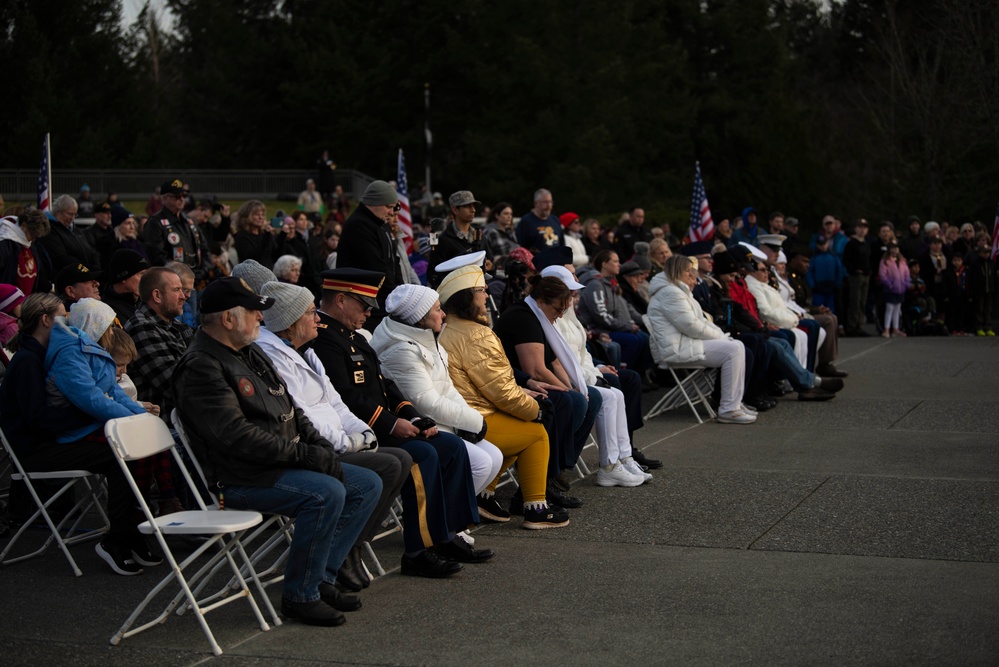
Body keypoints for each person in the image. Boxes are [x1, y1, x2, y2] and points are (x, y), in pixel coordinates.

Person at [171, 277, 381, 626]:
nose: (260, 318)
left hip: (274, 464)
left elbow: (292, 410)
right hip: (239, 476)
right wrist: (307, 457)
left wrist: (318, 447)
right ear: (227, 319)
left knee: (367, 484)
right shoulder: (202, 366)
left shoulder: (248, 351)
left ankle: (321, 578)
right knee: (326, 493)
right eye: (253, 311)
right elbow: (236, 437)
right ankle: (299, 596)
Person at [305, 268, 492, 576]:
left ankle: (447, 532)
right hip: (358, 432)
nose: (369, 311)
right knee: (422, 454)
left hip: (382, 424)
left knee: (450, 446)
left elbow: (384, 384)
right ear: (340, 300)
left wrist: (412, 416)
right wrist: (393, 424)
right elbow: (346, 397)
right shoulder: (324, 339)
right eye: (363, 304)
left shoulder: (350, 334)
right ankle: (418, 550)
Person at [253, 280, 412, 592]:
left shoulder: (305, 353)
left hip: (334, 443)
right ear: (290, 321)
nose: (318, 318)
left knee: (399, 459)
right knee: (383, 470)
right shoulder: (272, 357)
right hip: (317, 449)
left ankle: (347, 546)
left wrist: (363, 432)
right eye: (311, 312)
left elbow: (335, 403)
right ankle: (334, 560)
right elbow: (302, 416)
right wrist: (346, 442)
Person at [0, 293, 161, 576]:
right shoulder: (27, 361)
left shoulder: (42, 355)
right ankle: (118, 537)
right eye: (64, 317)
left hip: (49, 441)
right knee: (120, 458)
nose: (70, 324)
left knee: (132, 450)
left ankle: (129, 531)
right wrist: (92, 412)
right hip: (35, 451)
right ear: (46, 320)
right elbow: (39, 420)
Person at [436, 266, 570, 527]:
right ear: (466, 297)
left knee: (520, 429)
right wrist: (535, 410)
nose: (487, 295)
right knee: (535, 432)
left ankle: (485, 493)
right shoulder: (476, 334)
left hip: (461, 412)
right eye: (480, 290)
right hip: (473, 418)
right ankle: (536, 508)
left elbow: (493, 386)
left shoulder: (449, 328)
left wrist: (524, 395)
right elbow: (502, 393)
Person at [370, 284, 504, 496]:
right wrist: (475, 421)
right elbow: (426, 403)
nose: (443, 314)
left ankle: (454, 518)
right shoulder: (401, 351)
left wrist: (472, 421)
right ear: (420, 317)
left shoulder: (428, 340)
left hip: (444, 423)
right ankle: (445, 522)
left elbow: (448, 388)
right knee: (481, 463)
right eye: (437, 309)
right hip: (421, 425)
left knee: (495, 456)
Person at [541, 265, 651, 485]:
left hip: (582, 375)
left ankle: (623, 457)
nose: (574, 292)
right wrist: (592, 378)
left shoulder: (570, 315)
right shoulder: (553, 316)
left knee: (617, 394)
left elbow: (583, 353)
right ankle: (608, 466)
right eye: (570, 281)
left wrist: (595, 371)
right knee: (609, 395)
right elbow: (561, 361)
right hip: (566, 379)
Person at [648, 256, 756, 424]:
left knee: (737, 345)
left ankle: (734, 403)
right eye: (688, 271)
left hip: (684, 343)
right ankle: (728, 408)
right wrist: (721, 337)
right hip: (676, 349)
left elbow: (702, 321)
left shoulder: (678, 291)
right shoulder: (670, 293)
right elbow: (691, 326)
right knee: (733, 350)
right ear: (677, 272)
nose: (692, 275)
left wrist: (721, 335)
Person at [123, 267, 193, 418]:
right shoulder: (140, 327)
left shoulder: (176, 326)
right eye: (177, 290)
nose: (183, 296)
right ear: (157, 295)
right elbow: (177, 385)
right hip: (167, 426)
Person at [577, 250, 655, 383]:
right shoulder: (595, 285)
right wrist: (626, 326)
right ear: (604, 264)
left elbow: (622, 309)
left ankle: (637, 375)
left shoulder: (611, 284)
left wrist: (639, 321)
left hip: (610, 328)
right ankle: (622, 376)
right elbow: (601, 316)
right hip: (598, 330)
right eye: (615, 261)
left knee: (643, 337)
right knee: (633, 340)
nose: (619, 264)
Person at [336, 180, 404, 330]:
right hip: (365, 304)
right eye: (388, 207)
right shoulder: (358, 225)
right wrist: (397, 295)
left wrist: (401, 290)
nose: (391, 213)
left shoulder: (380, 224)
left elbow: (393, 260)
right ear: (374, 202)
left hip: (383, 301)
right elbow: (374, 266)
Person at [142, 179, 211, 283]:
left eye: (184, 196)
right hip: (169, 283)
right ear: (165, 199)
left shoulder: (190, 221)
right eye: (177, 197)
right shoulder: (155, 222)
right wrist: (178, 275)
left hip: (194, 280)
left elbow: (204, 249)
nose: (182, 199)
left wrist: (203, 271)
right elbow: (157, 256)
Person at [428, 191, 485, 286]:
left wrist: (491, 266)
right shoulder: (443, 240)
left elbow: (490, 264)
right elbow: (433, 274)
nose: (473, 210)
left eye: (473, 206)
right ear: (455, 210)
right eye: (467, 206)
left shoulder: (479, 236)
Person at [39, 195, 99, 273]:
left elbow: (91, 251)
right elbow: (62, 259)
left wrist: (96, 267)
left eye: (75, 214)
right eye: (70, 214)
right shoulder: (50, 231)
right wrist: (86, 270)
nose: (73, 218)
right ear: (58, 212)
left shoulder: (75, 230)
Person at [0, 208, 52, 295]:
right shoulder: (5, 244)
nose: (33, 239)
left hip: (25, 302)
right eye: (33, 235)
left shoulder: (28, 243)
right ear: (23, 226)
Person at [101, 249, 151, 326]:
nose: (146, 280)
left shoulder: (145, 302)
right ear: (123, 277)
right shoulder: (107, 312)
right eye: (141, 274)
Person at [843, 219, 872, 336]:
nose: (862, 229)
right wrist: (854, 269)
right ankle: (852, 326)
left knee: (862, 301)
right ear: (856, 228)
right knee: (854, 301)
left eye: (865, 227)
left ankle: (859, 325)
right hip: (856, 276)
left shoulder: (866, 243)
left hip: (866, 275)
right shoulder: (851, 243)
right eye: (860, 227)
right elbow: (846, 260)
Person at [515, 188, 564, 254]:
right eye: (545, 202)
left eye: (550, 202)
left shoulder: (555, 220)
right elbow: (521, 247)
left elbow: (562, 244)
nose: (549, 205)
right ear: (536, 203)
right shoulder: (526, 222)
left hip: (556, 261)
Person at [232, 200, 277, 269]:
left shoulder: (264, 234)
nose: (261, 217)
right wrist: (266, 236)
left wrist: (283, 234)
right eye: (257, 215)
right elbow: (253, 258)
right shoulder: (242, 235)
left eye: (262, 215)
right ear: (247, 216)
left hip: (269, 274)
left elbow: (276, 255)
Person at [878, 241, 910, 337]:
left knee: (897, 309)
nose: (895, 250)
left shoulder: (902, 260)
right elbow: (883, 275)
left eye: (897, 248)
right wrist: (889, 284)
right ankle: (887, 328)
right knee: (889, 309)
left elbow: (906, 273)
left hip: (901, 288)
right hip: (891, 288)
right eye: (893, 248)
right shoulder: (885, 261)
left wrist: (906, 283)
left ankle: (896, 328)